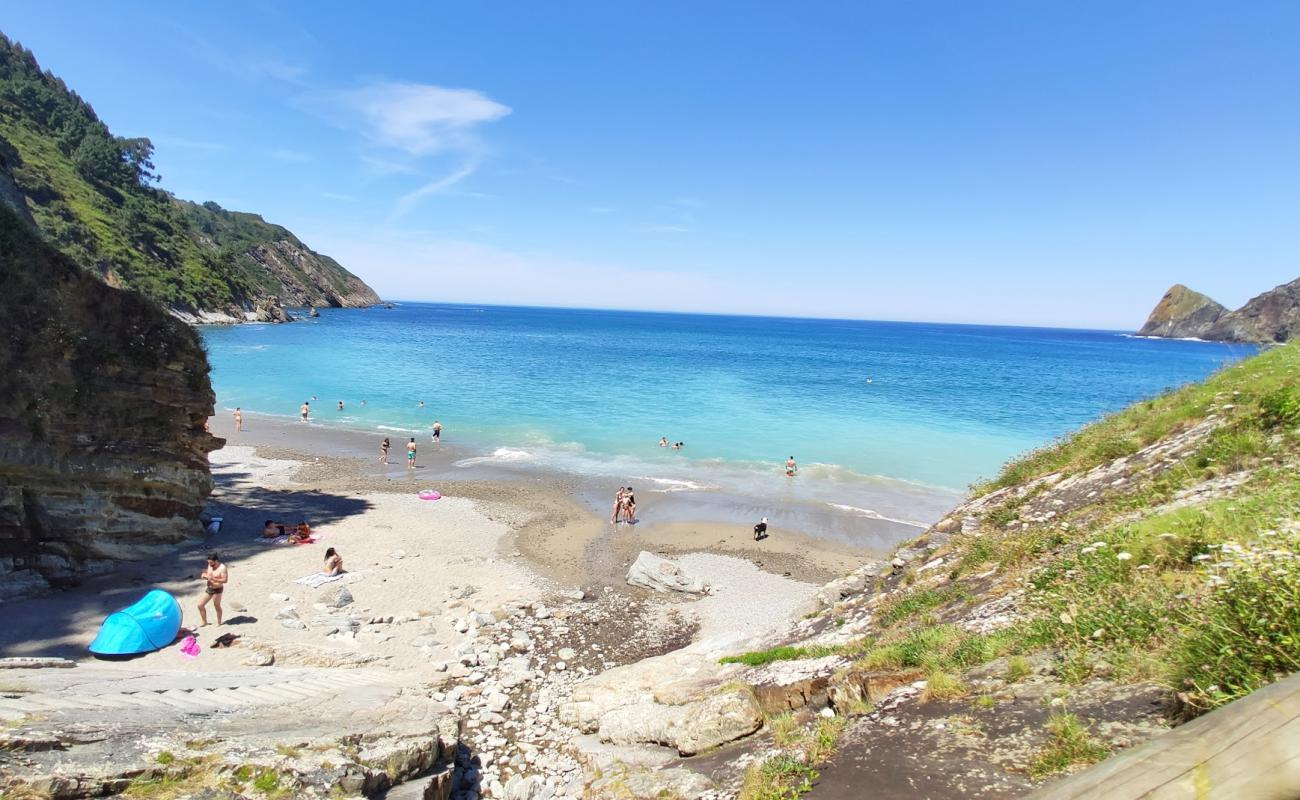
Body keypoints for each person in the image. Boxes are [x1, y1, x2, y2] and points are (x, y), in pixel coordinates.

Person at [197, 551, 228, 626]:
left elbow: (225, 580)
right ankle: (204, 622)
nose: (210, 564)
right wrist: (204, 575)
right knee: (200, 605)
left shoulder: (222, 568)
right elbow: (208, 574)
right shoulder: (210, 565)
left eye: (211, 563)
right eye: (209, 562)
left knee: (216, 606)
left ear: (216, 561)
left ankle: (219, 622)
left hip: (217, 589)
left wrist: (213, 579)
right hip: (210, 588)